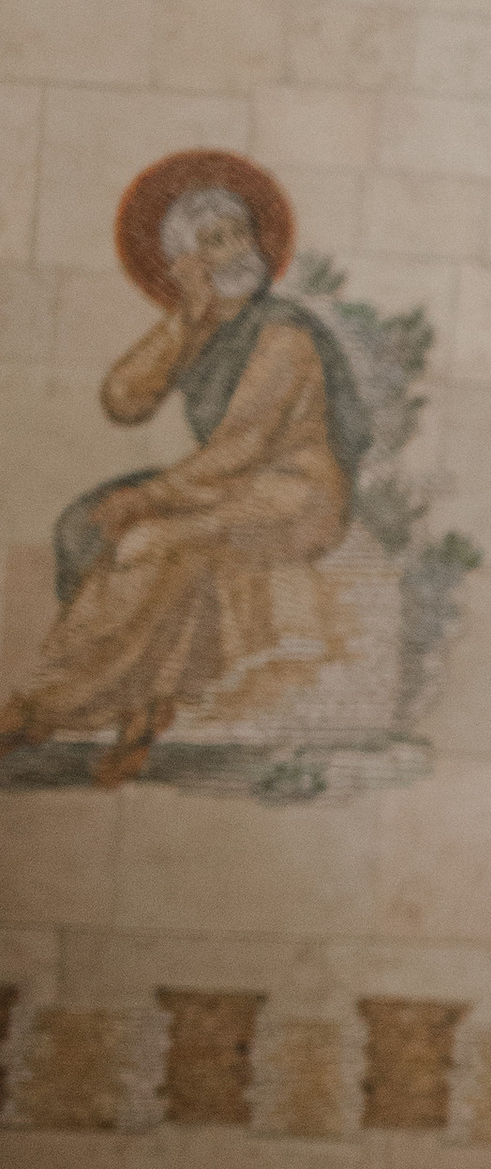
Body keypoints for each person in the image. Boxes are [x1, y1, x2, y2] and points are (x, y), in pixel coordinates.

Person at [0, 161, 367, 786]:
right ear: (185, 261)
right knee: (85, 529)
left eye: (240, 234)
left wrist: (148, 498)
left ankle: (40, 709)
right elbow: (122, 400)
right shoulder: (205, 324)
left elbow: (242, 449)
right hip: (231, 490)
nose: (235, 251)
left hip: (294, 494)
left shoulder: (282, 334)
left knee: (149, 541)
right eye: (214, 241)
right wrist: (181, 318)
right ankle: (139, 719)